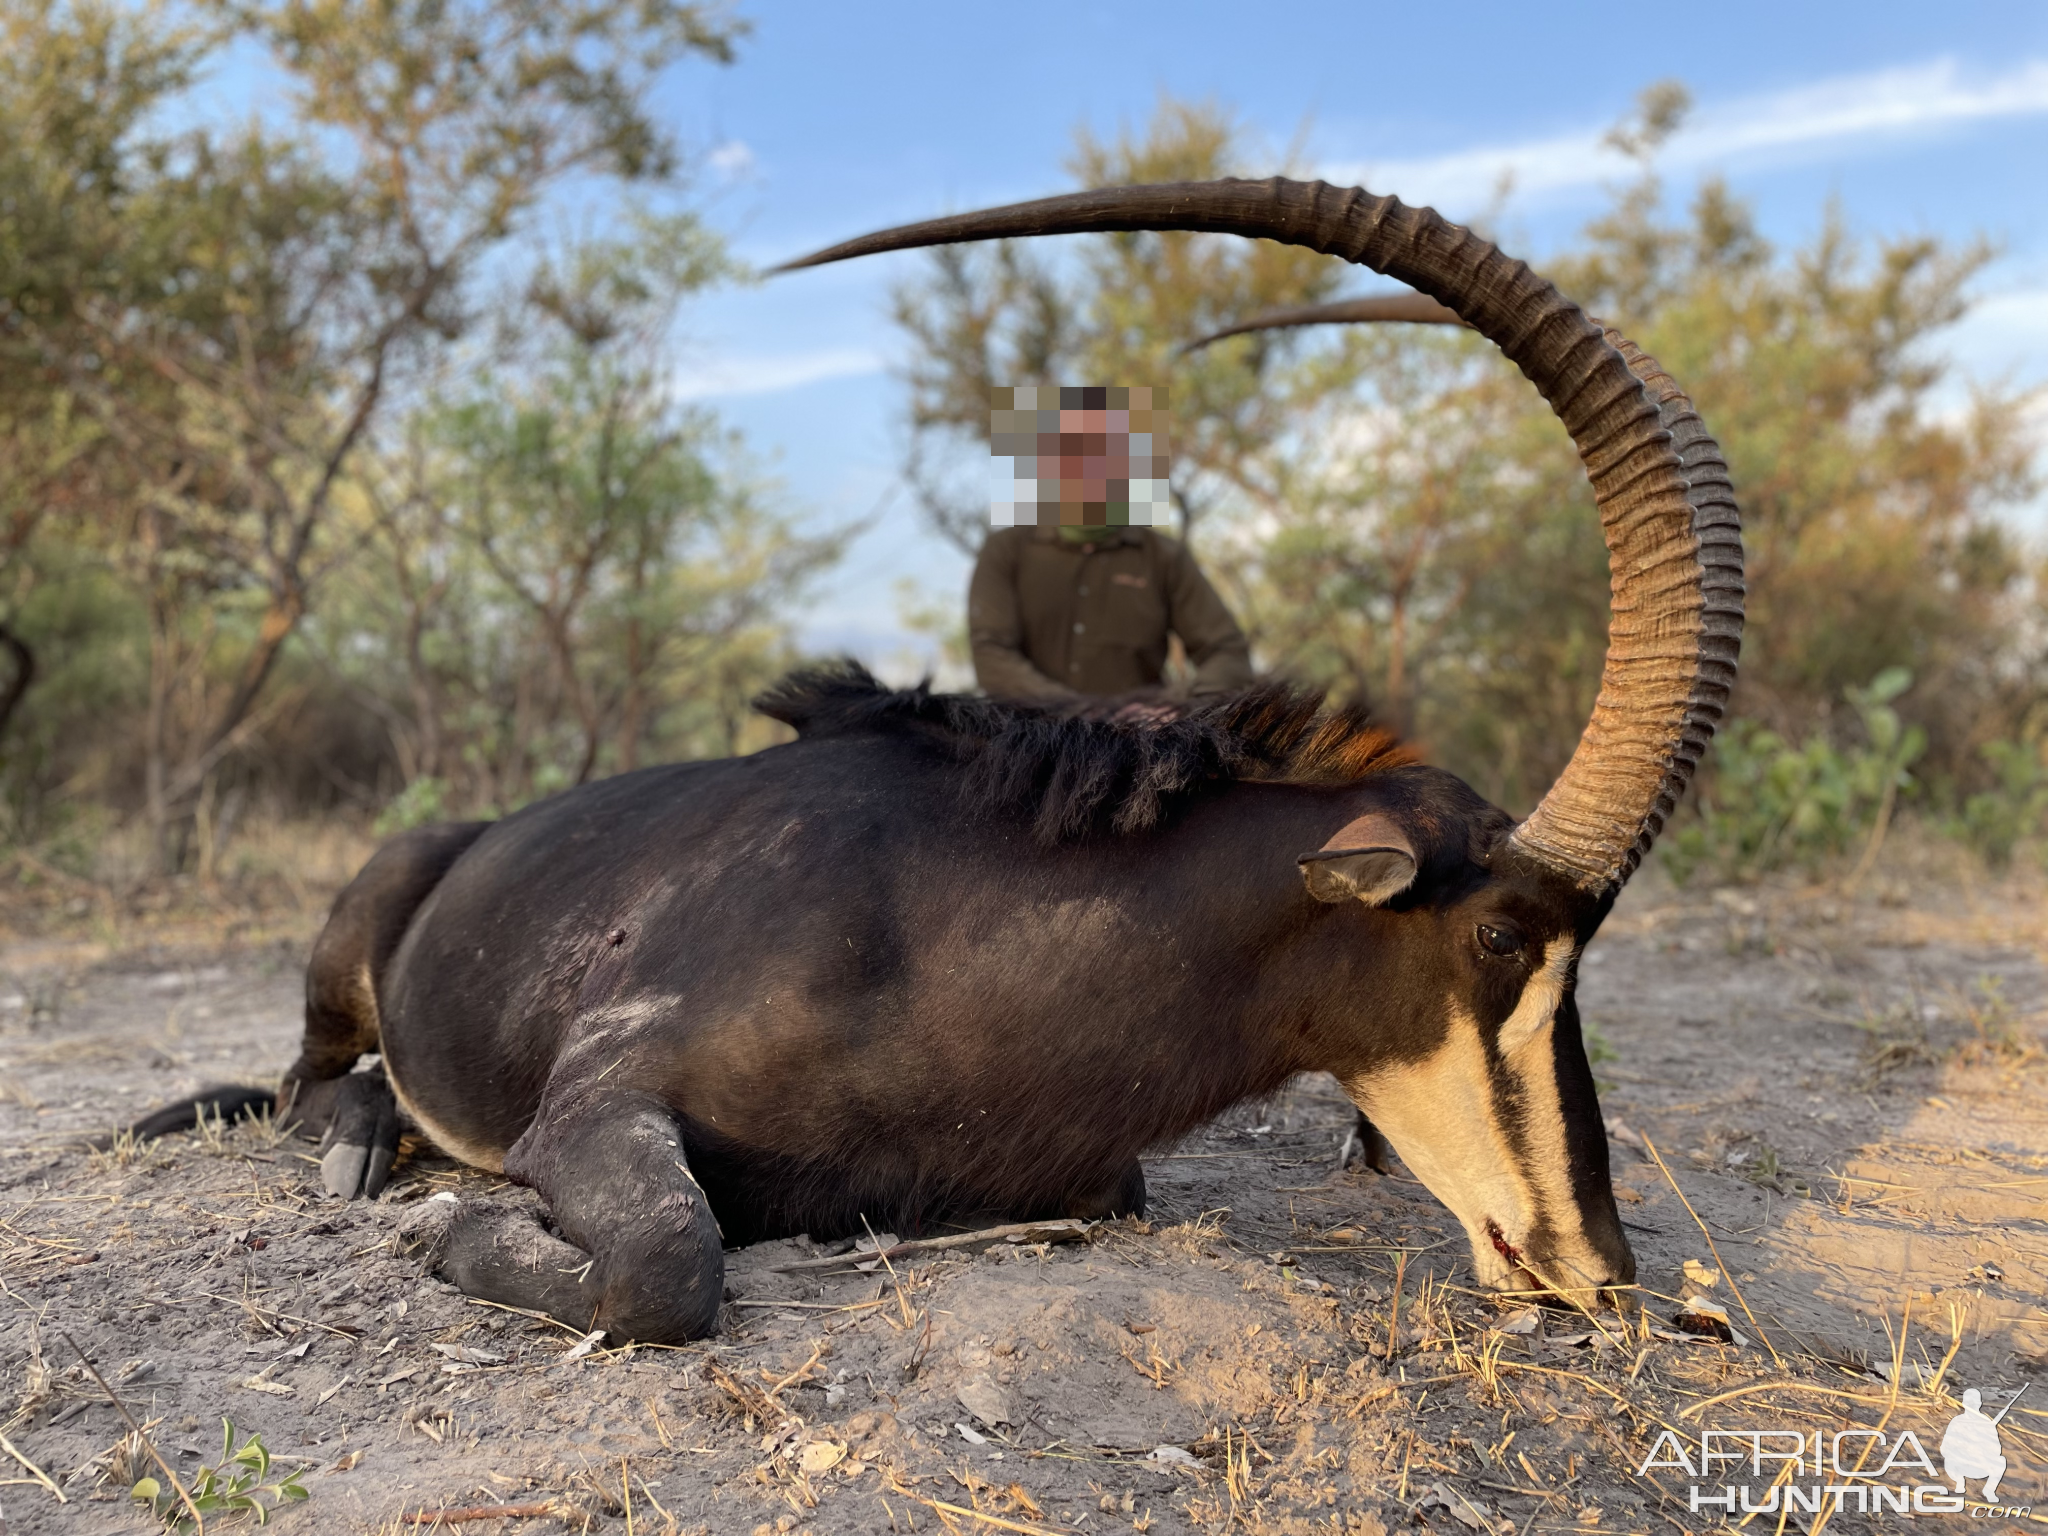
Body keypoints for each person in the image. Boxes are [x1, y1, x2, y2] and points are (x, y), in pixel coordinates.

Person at [969, 384, 1253, 705]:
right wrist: (1081, 716)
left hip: (1139, 740)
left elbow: (1228, 653)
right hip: (1028, 737)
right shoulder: (1006, 549)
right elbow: (991, 655)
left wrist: (1177, 708)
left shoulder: (1164, 556)